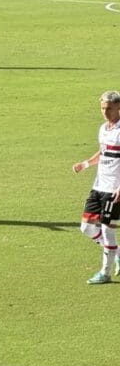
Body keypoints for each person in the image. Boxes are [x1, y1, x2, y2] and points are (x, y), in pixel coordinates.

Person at [73, 91, 120, 285]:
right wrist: (85, 164)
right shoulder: (103, 129)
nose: (105, 112)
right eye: (102, 108)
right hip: (98, 185)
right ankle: (117, 253)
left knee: (107, 230)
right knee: (86, 227)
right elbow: (103, 152)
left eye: (108, 108)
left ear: (118, 108)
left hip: (113, 189)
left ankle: (105, 272)